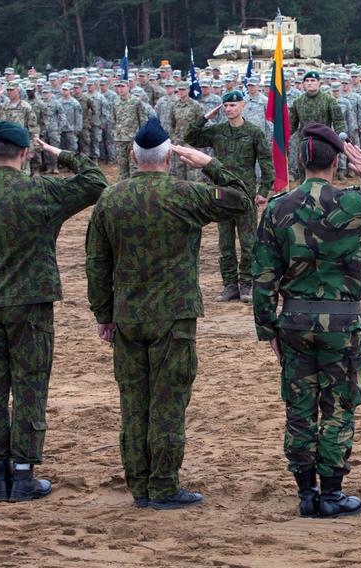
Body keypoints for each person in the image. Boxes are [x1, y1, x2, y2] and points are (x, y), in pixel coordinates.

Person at [252, 124, 361, 519]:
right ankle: (331, 492)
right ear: (338, 160)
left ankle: (306, 491)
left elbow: (262, 277)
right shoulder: (356, 205)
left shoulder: (278, 207)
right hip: (342, 326)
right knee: (339, 406)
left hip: (293, 321)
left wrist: (267, 329)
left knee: (300, 406)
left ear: (301, 161)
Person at [85, 119, 251, 510]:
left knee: (134, 402)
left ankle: (139, 484)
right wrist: (208, 163)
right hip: (173, 316)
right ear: (170, 158)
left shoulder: (112, 198)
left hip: (127, 315)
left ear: (132, 156)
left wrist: (103, 314)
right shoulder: (184, 194)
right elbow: (240, 199)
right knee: (168, 401)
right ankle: (162, 484)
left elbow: (96, 262)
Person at [0, 121, 107, 503]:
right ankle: (23, 472)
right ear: (25, 154)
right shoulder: (41, 191)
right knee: (31, 384)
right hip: (32, 305)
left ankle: (0, 473)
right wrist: (59, 152)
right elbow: (96, 181)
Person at [185, 91, 274, 303]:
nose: (228, 109)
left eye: (233, 105)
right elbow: (190, 138)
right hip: (222, 194)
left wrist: (263, 192)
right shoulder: (217, 131)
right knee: (225, 243)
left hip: (245, 195)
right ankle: (230, 285)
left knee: (248, 242)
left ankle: (246, 284)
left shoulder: (254, 132)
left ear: (243, 106)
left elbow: (266, 163)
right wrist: (205, 117)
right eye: (225, 106)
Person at [112, 79, 148, 180]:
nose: (120, 89)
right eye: (118, 87)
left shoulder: (136, 101)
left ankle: (133, 188)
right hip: (120, 139)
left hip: (133, 139)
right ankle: (123, 188)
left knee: (134, 166)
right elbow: (114, 120)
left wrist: (142, 137)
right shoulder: (116, 102)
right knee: (122, 167)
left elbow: (143, 120)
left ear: (128, 87)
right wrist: (114, 133)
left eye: (122, 86)